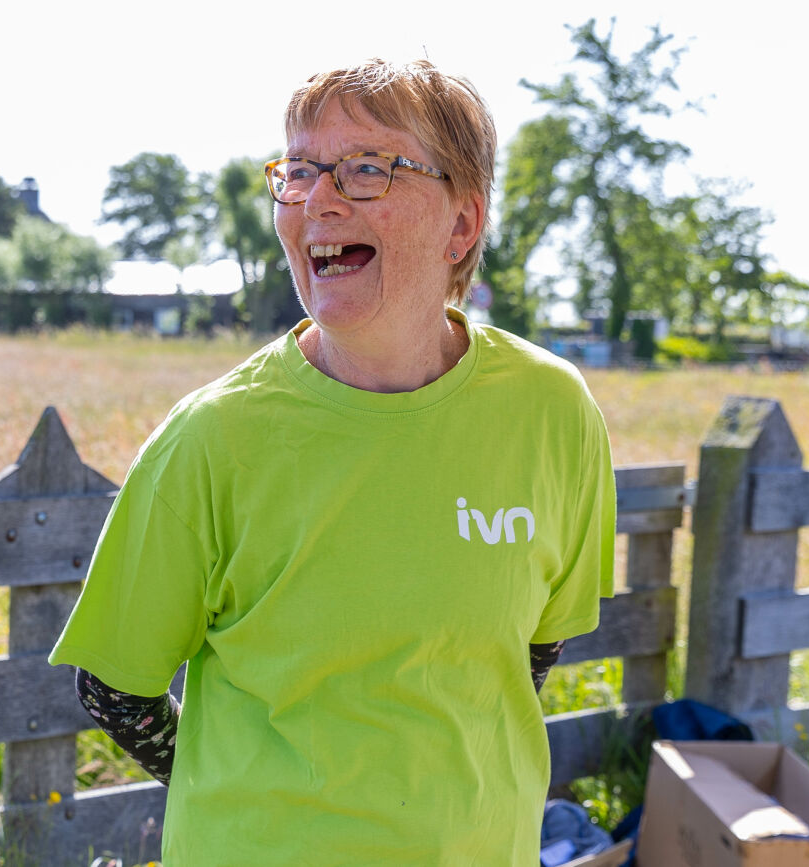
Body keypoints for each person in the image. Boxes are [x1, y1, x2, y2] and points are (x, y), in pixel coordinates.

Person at [49, 58, 616, 865]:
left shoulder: (553, 413)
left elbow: (531, 651)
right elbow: (113, 686)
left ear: (462, 223)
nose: (317, 198)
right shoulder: (212, 438)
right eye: (301, 171)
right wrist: (242, 795)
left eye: (366, 168)